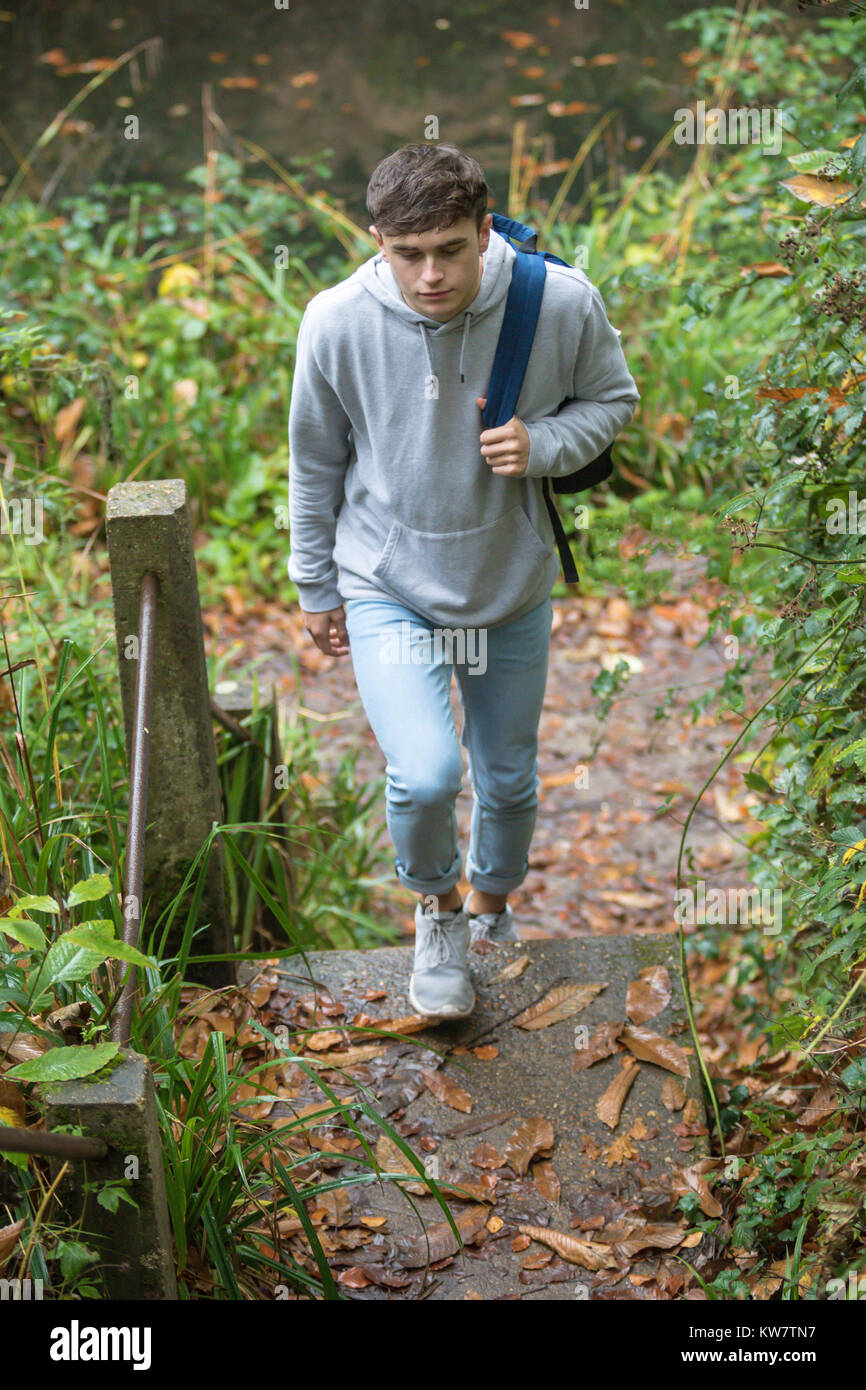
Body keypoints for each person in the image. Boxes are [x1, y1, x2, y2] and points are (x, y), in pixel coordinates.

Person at [288, 142, 639, 1022]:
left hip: (507, 579)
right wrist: (315, 586)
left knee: (510, 780)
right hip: (387, 580)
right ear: (377, 241)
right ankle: (438, 913)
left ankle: (491, 910)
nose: (431, 274)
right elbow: (313, 465)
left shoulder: (559, 302)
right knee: (425, 775)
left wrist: (545, 445)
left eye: (451, 248)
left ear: (485, 230)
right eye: (408, 255)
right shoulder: (334, 322)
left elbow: (613, 399)